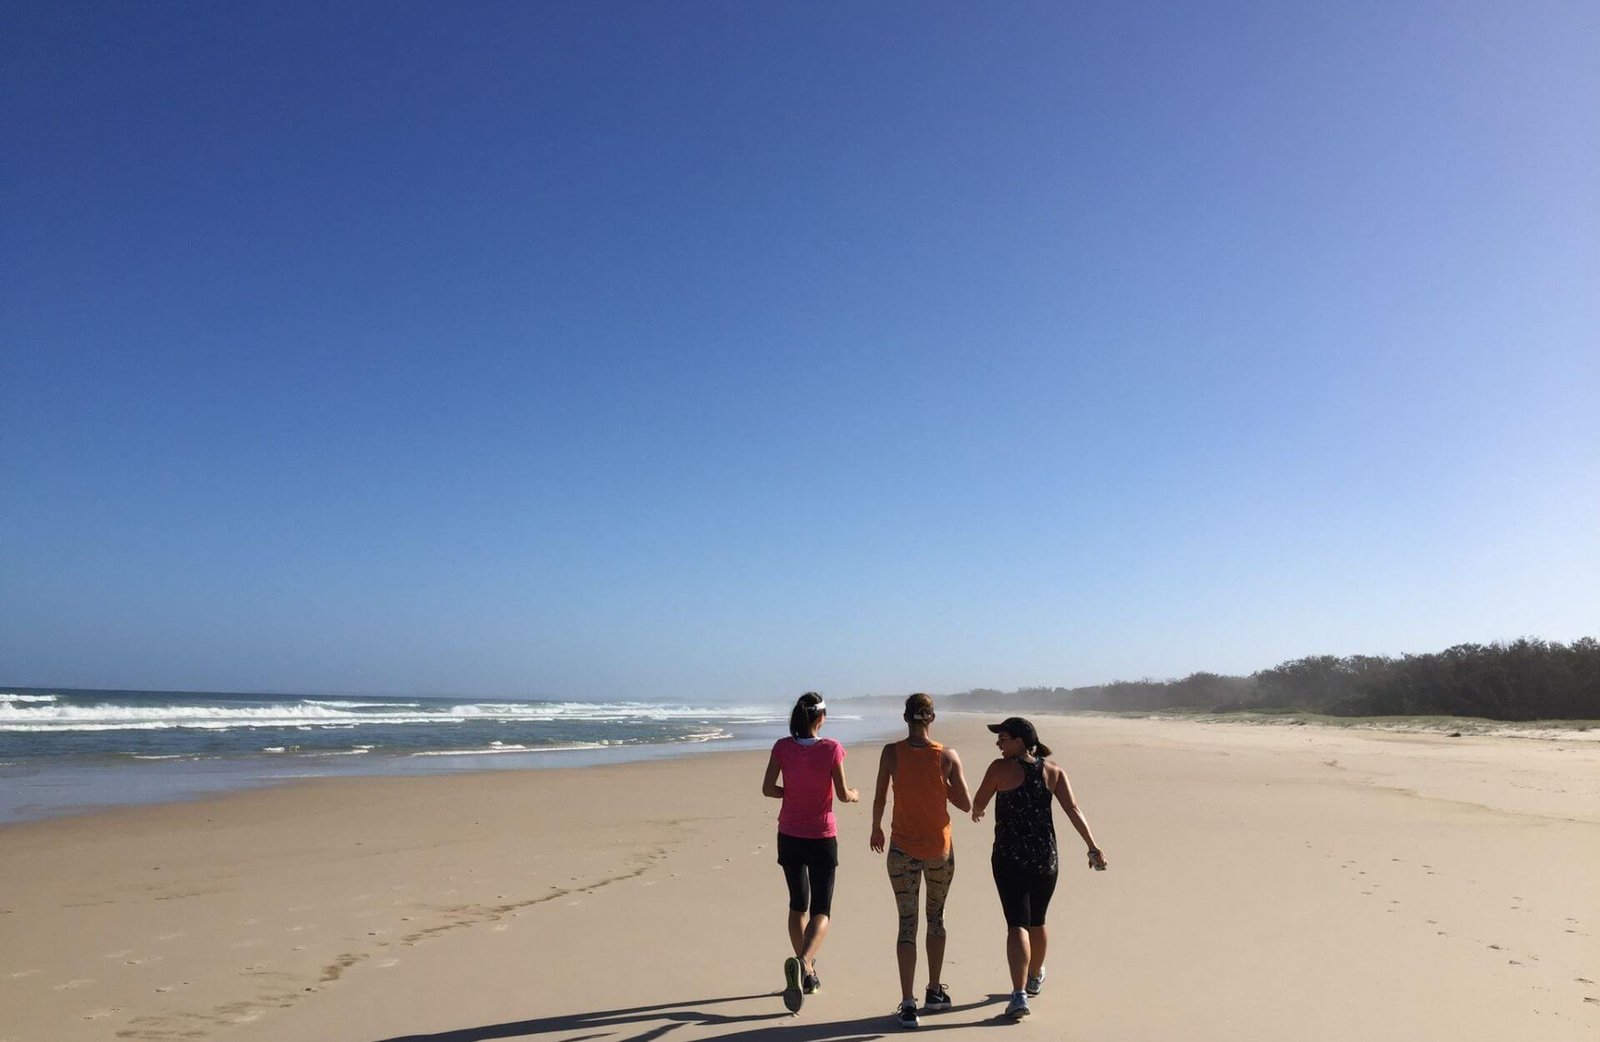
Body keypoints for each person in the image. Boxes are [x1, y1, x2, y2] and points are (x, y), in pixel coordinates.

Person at [970, 716, 1107, 1021]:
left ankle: (1019, 994)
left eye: (1002, 738)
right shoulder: (1053, 771)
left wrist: (978, 811)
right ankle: (1034, 977)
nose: (998, 743)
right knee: (1038, 919)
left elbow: (978, 802)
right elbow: (1073, 809)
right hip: (1046, 859)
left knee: (1017, 923)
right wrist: (1092, 846)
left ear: (1019, 740)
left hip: (1008, 858)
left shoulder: (999, 768)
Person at [870, 693, 972, 1030]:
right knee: (936, 917)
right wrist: (942, 784)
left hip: (901, 849)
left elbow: (881, 797)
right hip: (939, 850)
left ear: (905, 718)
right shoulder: (946, 756)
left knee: (906, 924)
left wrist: (876, 830)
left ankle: (909, 1003)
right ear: (931, 719)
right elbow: (966, 804)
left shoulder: (891, 753)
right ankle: (933, 991)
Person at [762, 691, 860, 1013]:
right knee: (822, 909)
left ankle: (808, 973)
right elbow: (843, 795)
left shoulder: (782, 747)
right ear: (821, 719)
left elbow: (767, 789)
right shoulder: (831, 749)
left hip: (789, 834)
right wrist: (856, 795)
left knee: (797, 903)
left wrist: (791, 794)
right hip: (820, 836)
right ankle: (804, 963)